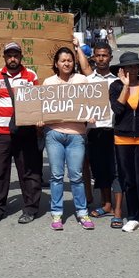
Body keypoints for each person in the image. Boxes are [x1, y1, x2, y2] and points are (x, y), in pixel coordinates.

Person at [0, 42, 42, 226]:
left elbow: (37, 101)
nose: (13, 59)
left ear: (21, 57)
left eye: (16, 55)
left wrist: (37, 123)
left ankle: (31, 208)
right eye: (9, 55)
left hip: (25, 130)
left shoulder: (31, 76)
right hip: (0, 131)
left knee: (28, 170)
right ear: (4, 57)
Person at [109, 51, 139, 240]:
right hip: (122, 138)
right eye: (128, 66)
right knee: (128, 180)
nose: (132, 69)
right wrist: (125, 86)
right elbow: (118, 109)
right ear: (121, 70)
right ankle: (134, 217)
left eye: (135, 66)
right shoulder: (115, 86)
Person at [42, 47, 94, 231]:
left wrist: (92, 114)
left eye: (70, 60)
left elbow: (91, 103)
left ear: (74, 62)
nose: (66, 63)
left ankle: (82, 212)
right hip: (54, 134)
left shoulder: (82, 80)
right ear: (56, 63)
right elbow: (42, 106)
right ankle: (56, 213)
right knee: (56, 176)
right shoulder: (48, 82)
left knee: (76, 176)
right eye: (63, 60)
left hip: (76, 135)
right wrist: (39, 118)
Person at [77, 40, 123, 226]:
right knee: (100, 170)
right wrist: (76, 46)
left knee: (117, 171)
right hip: (94, 131)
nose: (101, 58)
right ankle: (106, 204)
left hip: (115, 130)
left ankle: (118, 210)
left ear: (110, 57)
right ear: (93, 57)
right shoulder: (87, 80)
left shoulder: (119, 79)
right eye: (98, 55)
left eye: (105, 55)